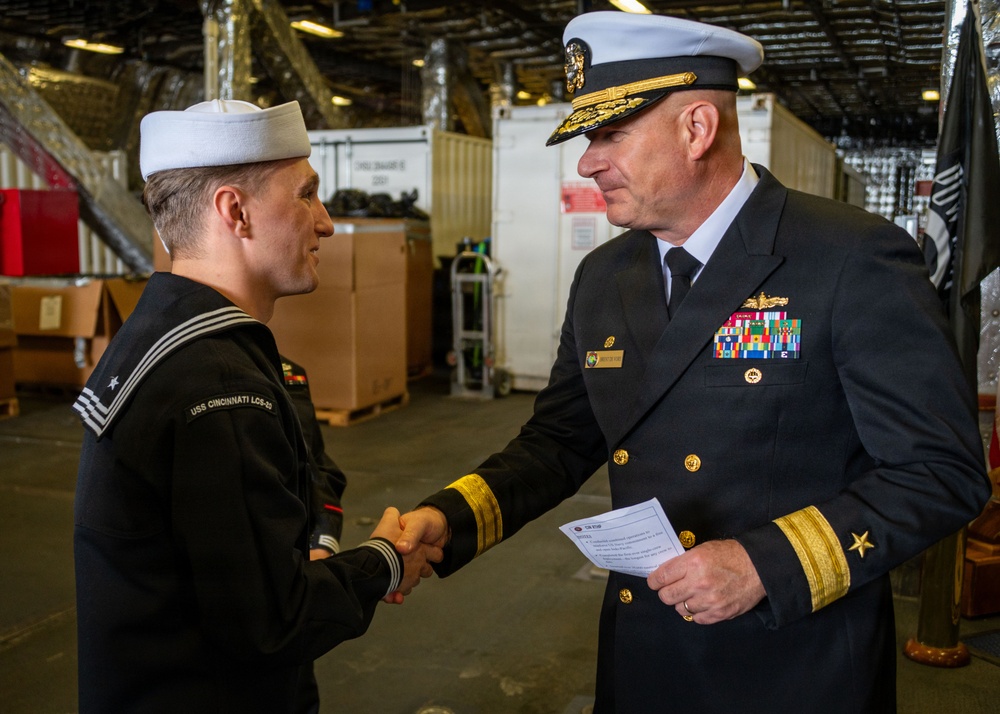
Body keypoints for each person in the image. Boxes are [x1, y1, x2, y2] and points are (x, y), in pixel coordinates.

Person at [395, 12, 992, 713]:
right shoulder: (604, 277)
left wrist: (764, 563)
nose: (587, 161)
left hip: (792, 662)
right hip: (647, 651)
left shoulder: (849, 259)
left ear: (697, 128)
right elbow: (560, 441)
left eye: (610, 134)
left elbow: (941, 471)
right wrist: (451, 518)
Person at [71, 98, 435, 713]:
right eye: (306, 195)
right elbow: (274, 624)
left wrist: (312, 546)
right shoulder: (216, 384)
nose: (325, 222)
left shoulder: (164, 336)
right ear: (235, 211)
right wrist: (385, 562)